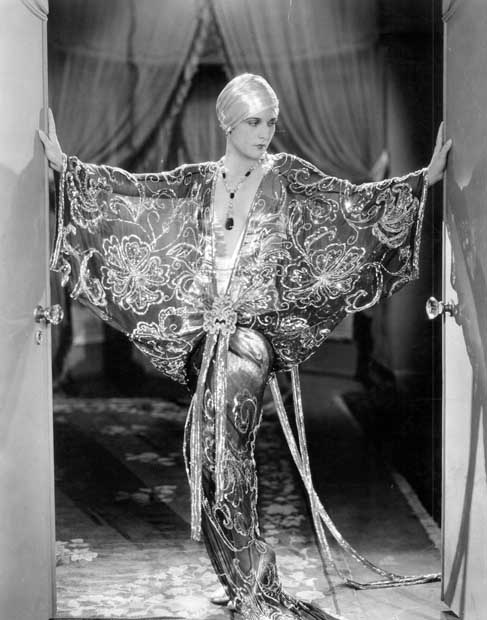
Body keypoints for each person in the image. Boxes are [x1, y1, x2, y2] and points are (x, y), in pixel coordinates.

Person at [39, 73, 451, 620]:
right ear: (229, 123)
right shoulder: (199, 181)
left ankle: (257, 578)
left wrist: (422, 181)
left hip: (252, 335)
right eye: (254, 122)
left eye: (270, 122)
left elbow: (352, 202)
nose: (264, 133)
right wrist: (68, 169)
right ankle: (236, 576)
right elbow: (133, 190)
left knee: (227, 449)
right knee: (206, 455)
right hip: (202, 334)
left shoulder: (287, 177)